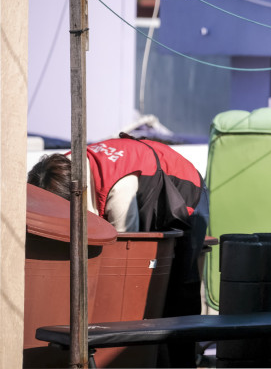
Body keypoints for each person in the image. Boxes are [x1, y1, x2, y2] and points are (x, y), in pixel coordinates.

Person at [27, 133, 209, 367]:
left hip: (185, 188)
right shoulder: (55, 171)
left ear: (76, 200)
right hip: (138, 173)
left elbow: (125, 253)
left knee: (179, 287)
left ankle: (181, 363)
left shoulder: (119, 190)